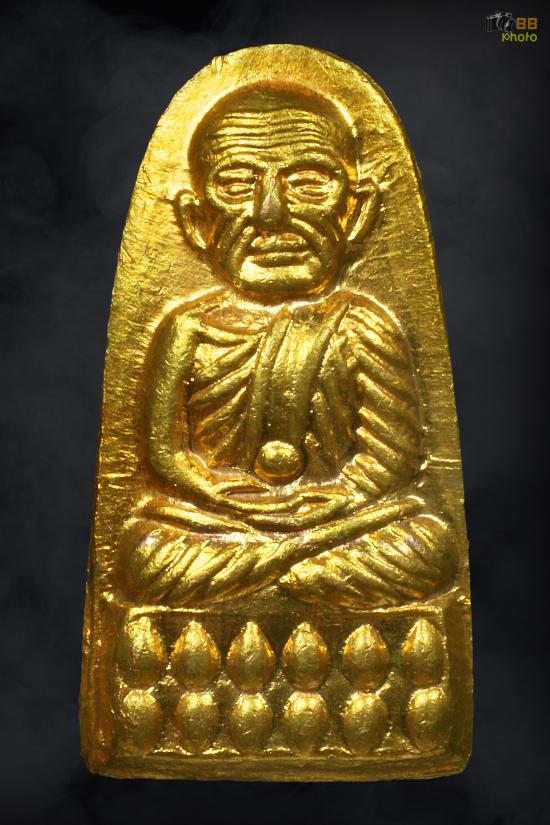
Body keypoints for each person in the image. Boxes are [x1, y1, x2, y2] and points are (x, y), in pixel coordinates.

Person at [117, 87, 456, 609]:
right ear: (196, 219)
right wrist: (216, 493)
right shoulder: (187, 327)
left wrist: (335, 501)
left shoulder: (363, 324)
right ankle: (295, 567)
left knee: (425, 545)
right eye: (236, 185)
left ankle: (277, 567)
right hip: (217, 522)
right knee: (144, 553)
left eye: (308, 183)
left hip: (342, 521)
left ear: (357, 212)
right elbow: (165, 454)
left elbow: (394, 459)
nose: (270, 213)